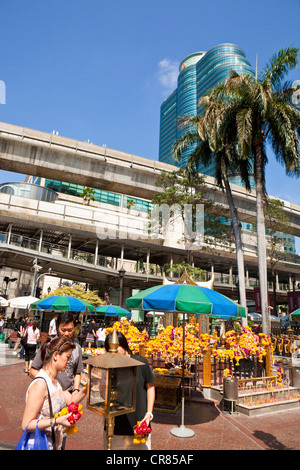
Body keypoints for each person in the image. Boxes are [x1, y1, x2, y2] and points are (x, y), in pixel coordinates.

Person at [21, 336, 87, 450]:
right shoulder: (41, 384)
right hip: (38, 444)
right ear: (56, 355)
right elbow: (26, 424)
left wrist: (87, 388)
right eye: (68, 357)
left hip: (52, 443)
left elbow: (71, 400)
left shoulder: (57, 381)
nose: (69, 361)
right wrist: (56, 421)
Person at [103, 331, 155, 450]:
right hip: (116, 426)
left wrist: (149, 413)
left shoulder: (141, 362)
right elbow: (104, 391)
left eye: (117, 347)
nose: (114, 351)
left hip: (140, 423)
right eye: (110, 349)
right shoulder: (110, 366)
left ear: (124, 345)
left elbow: (150, 387)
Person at [29, 312, 83, 394]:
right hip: (49, 393)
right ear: (57, 328)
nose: (67, 333)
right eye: (63, 330)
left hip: (69, 393)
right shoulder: (48, 345)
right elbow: (33, 371)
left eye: (70, 330)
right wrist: (50, 384)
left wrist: (76, 390)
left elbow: (77, 373)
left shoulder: (77, 348)